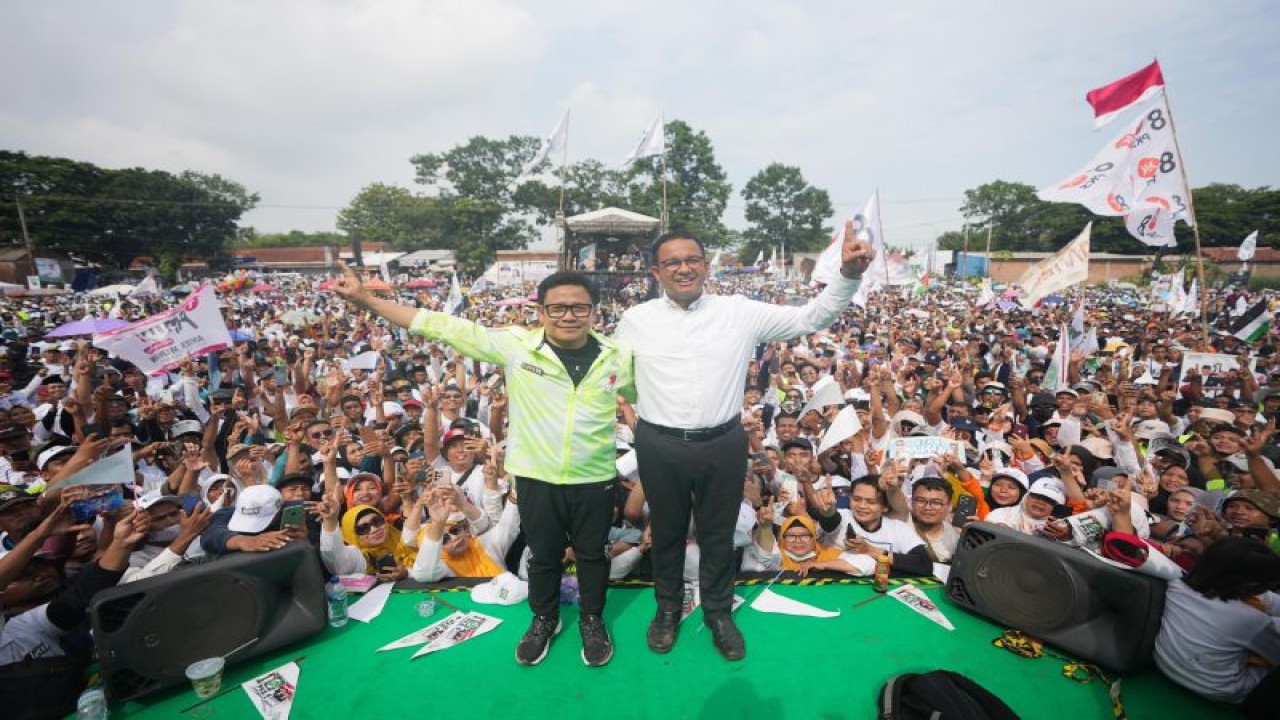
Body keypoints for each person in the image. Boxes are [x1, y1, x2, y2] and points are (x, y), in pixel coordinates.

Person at [333, 263, 635, 668]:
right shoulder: (516, 346)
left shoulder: (619, 358)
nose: (568, 315)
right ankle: (544, 619)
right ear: (541, 312)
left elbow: (660, 394)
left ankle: (592, 620)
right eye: (557, 308)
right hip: (536, 478)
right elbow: (437, 325)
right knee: (543, 556)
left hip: (594, 479)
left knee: (592, 555)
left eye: (579, 308)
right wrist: (366, 298)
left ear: (594, 311)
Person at [614, 225, 873, 661]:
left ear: (706, 264)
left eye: (692, 259)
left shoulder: (739, 311)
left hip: (722, 441)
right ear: (656, 271)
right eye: (672, 262)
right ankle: (667, 609)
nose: (683, 268)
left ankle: (718, 613)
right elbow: (617, 380)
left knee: (718, 534)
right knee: (667, 532)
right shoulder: (636, 320)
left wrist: (847, 274)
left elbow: (811, 317)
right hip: (660, 443)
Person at [1153, 537, 1280, 717]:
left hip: (1165, 667)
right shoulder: (1254, 621)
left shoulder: (1176, 585)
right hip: (1223, 691)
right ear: (1252, 585)